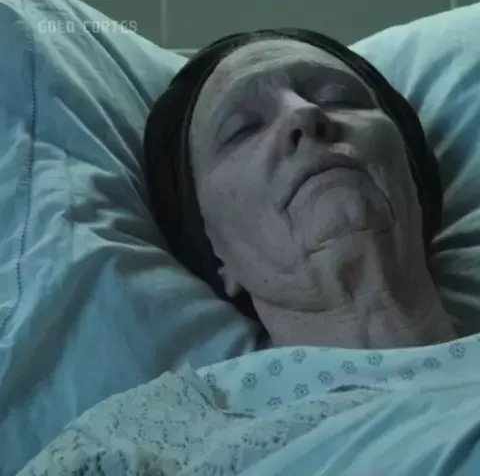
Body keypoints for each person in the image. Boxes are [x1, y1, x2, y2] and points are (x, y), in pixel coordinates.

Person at [143, 28, 457, 349]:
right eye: (242, 130)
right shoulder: (186, 386)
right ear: (215, 249)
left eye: (340, 98)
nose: (303, 113)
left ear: (413, 178)